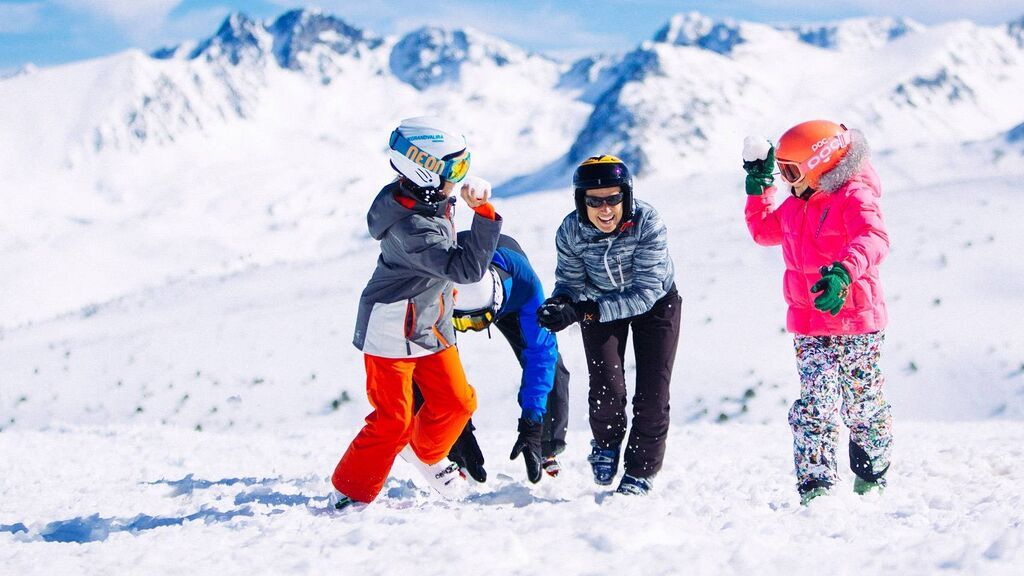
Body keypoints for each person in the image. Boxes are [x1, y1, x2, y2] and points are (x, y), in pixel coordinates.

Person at [329, 116, 502, 510]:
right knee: (393, 420)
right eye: (453, 169)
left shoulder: (424, 199)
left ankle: (424, 452)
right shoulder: (412, 228)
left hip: (429, 322)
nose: (459, 178)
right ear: (424, 171)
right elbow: (465, 269)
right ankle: (350, 490)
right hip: (391, 326)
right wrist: (485, 214)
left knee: (458, 402)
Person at [742, 120, 893, 505]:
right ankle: (816, 483)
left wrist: (844, 272)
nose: (786, 179)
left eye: (791, 171)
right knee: (816, 401)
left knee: (862, 402)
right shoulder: (796, 204)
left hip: (856, 320)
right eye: (782, 170)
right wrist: (760, 188)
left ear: (821, 162)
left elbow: (874, 238)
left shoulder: (854, 196)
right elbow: (764, 232)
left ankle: (871, 472)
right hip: (810, 325)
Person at [537, 155, 680, 496]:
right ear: (580, 201)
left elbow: (645, 293)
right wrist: (561, 304)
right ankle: (606, 444)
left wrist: (584, 311)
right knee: (606, 385)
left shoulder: (648, 222)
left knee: (653, 392)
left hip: (656, 304)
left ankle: (640, 470)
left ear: (626, 197)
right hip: (596, 301)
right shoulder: (571, 231)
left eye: (614, 199)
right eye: (594, 201)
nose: (605, 210)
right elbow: (569, 282)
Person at [418, 233, 570, 484]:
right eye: (464, 323)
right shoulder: (436, 289)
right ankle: (451, 449)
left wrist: (531, 422)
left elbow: (541, 354)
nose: (473, 329)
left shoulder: (525, 285)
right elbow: (432, 366)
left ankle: (546, 446)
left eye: (479, 322)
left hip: (513, 299)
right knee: (424, 364)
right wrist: (459, 430)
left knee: (553, 365)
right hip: (446, 301)